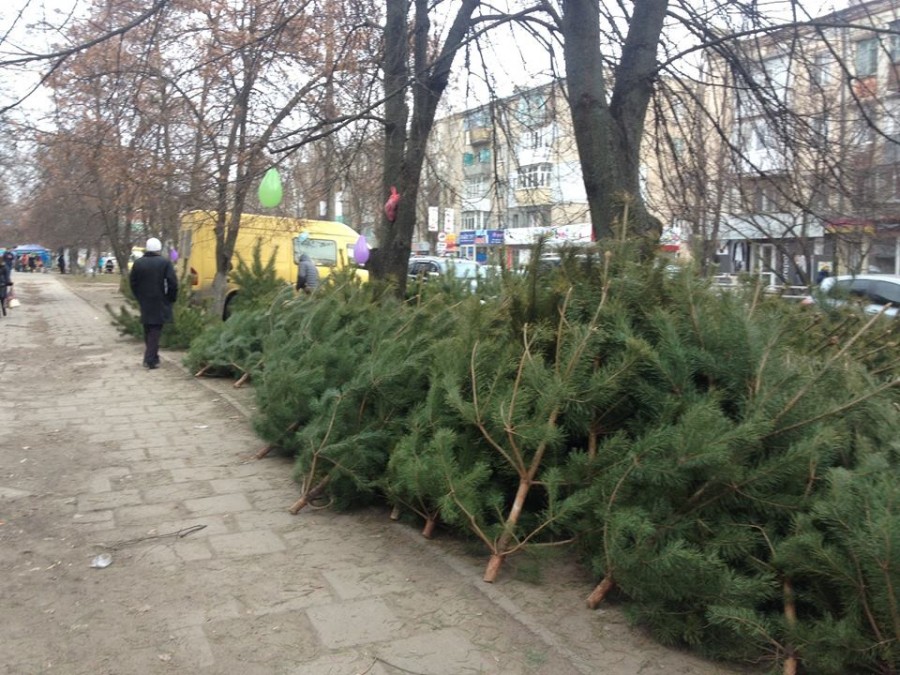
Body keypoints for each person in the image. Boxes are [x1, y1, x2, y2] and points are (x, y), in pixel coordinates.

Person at [129, 237, 178, 369]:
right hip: (160, 299)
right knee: (155, 329)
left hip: (144, 299)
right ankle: (150, 358)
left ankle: (153, 356)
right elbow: (172, 282)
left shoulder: (138, 263)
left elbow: (133, 282)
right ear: (159, 249)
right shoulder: (165, 263)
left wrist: (138, 296)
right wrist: (171, 298)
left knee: (148, 328)